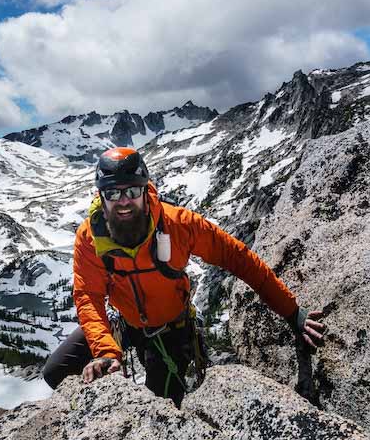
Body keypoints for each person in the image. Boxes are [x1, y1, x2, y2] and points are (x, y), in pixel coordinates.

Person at [42, 147, 325, 408]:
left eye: (131, 191)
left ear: (145, 190)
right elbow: (88, 296)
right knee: (57, 371)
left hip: (172, 331)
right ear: (101, 196)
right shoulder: (90, 238)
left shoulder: (178, 224)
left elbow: (239, 259)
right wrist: (105, 352)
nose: (124, 201)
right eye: (113, 193)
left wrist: (292, 312)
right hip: (125, 324)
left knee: (160, 407)